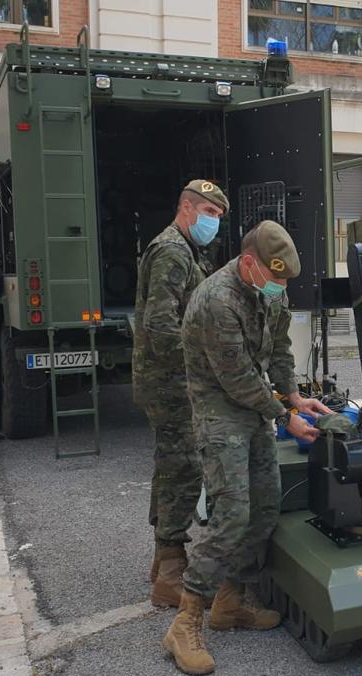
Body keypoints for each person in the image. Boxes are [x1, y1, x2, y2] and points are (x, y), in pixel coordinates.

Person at [163, 220, 331, 676]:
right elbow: (235, 378)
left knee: (264, 509)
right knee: (231, 514)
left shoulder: (269, 289)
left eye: (285, 283)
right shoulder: (217, 300)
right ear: (249, 262)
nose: (280, 289)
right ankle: (187, 620)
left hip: (254, 411)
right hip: (219, 413)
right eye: (275, 280)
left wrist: (293, 395)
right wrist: (285, 417)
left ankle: (230, 602)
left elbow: (278, 349)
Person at [133, 179, 228, 608]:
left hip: (172, 379)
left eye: (218, 217)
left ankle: (164, 559)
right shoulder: (172, 250)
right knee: (184, 466)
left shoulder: (188, 251)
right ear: (186, 207)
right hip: (172, 381)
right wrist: (201, 363)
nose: (214, 223)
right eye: (209, 213)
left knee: (170, 464)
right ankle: (171, 572)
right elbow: (159, 324)